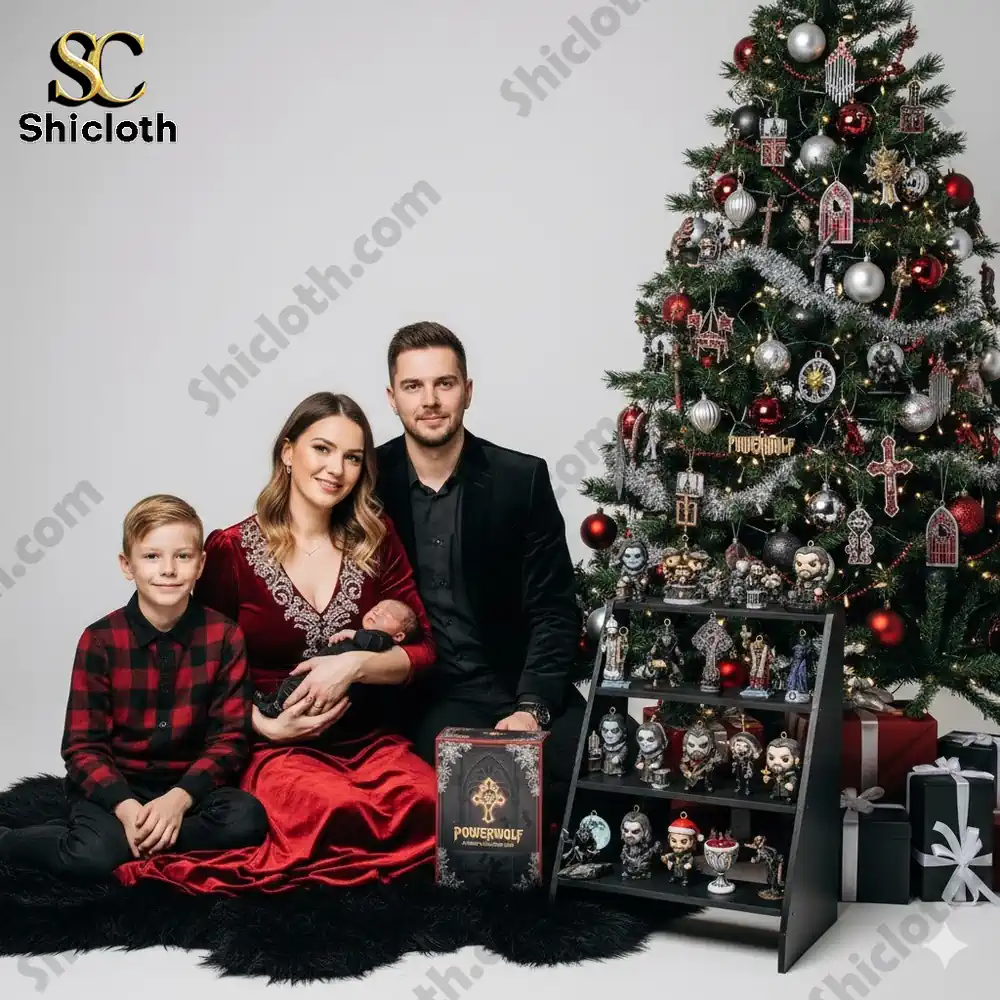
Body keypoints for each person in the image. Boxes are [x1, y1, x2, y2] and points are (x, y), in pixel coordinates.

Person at [113, 392, 438, 893]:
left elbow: (423, 652)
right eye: (322, 449)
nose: (336, 469)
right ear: (288, 452)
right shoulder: (231, 550)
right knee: (331, 810)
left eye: (353, 458)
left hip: (368, 739)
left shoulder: (377, 539)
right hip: (273, 744)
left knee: (432, 804)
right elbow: (194, 674)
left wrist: (352, 667)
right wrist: (263, 724)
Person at [374, 321, 588, 835]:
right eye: (413, 386)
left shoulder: (521, 479)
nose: (429, 400)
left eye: (444, 383)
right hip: (432, 693)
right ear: (391, 398)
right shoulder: (367, 482)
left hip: (520, 682)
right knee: (475, 785)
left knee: (598, 769)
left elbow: (554, 609)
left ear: (467, 391)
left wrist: (532, 708)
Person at [0, 495, 268, 880]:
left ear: (201, 565)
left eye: (183, 557)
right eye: (152, 557)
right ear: (127, 565)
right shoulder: (100, 640)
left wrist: (178, 800)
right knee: (91, 857)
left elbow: (229, 740)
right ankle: (10, 840)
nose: (169, 570)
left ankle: (141, 837)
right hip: (116, 786)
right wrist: (125, 806)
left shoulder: (225, 636)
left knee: (247, 820)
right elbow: (82, 746)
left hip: (187, 786)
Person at [253, 597, 420, 717]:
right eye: (377, 606)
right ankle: (269, 700)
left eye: (387, 614)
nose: (378, 611)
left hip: (331, 683)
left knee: (296, 689)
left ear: (398, 637)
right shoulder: (364, 635)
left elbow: (373, 642)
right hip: (318, 667)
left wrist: (352, 634)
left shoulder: (383, 639)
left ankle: (274, 708)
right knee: (291, 682)